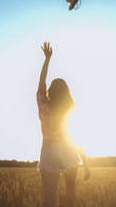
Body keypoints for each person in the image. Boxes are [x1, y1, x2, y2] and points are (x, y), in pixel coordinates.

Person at [37, 42, 91, 207]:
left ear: (50, 91)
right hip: (68, 150)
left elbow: (41, 84)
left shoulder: (44, 106)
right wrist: (86, 164)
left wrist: (47, 60)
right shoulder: (70, 110)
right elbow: (77, 138)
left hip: (49, 150)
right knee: (70, 189)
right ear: (67, 93)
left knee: (49, 197)